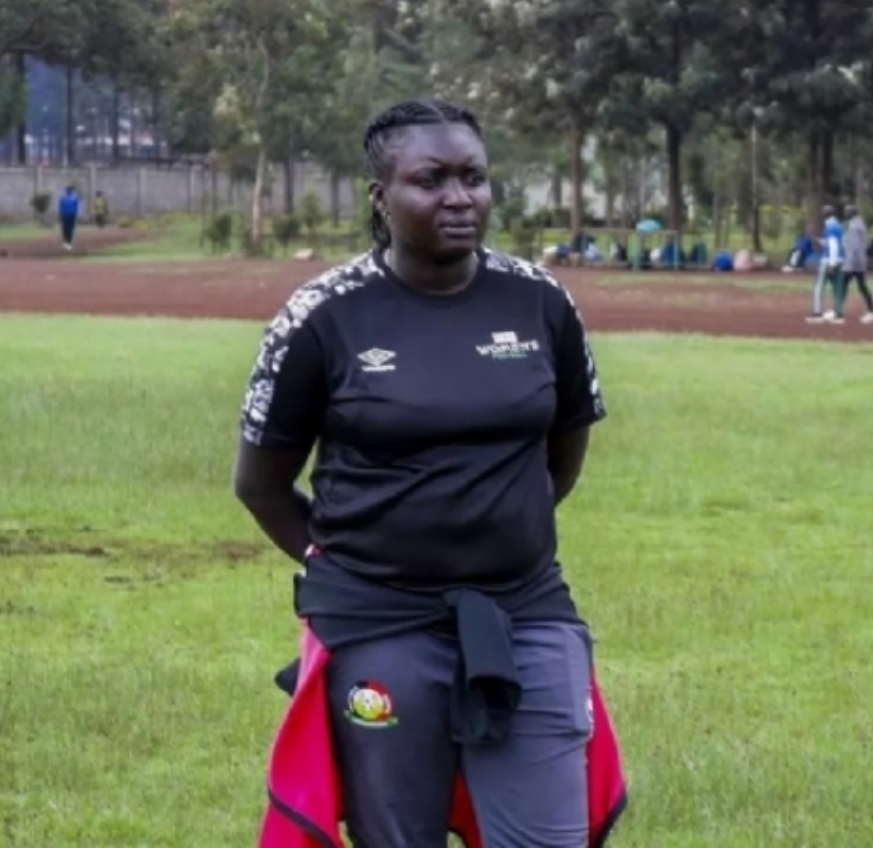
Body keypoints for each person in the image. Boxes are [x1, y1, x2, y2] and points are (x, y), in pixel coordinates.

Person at [235, 98, 627, 848]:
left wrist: (501, 531)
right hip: (380, 623)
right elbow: (260, 484)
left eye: (473, 177)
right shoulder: (320, 317)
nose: (459, 197)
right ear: (381, 198)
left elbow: (562, 453)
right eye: (431, 179)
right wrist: (356, 566)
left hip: (528, 612)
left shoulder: (541, 302)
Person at [806, 205, 844, 324]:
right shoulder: (839, 226)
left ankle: (817, 313)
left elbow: (833, 246)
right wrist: (816, 239)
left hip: (828, 260)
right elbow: (833, 243)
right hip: (840, 260)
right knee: (837, 288)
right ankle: (838, 313)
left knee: (819, 286)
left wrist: (831, 263)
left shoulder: (830, 227)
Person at [841, 205, 873, 324]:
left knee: (844, 285)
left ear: (851, 213)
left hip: (854, 263)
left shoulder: (854, 226)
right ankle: (872, 311)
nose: (845, 214)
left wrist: (851, 262)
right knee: (861, 286)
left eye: (847, 212)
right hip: (859, 261)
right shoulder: (859, 224)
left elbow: (855, 246)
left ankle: (838, 310)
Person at [58, 185, 80, 251]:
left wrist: (77, 213)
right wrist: (60, 213)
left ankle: (69, 242)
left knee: (71, 228)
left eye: (70, 190)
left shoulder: (74, 197)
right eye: (68, 190)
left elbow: (77, 205)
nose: (69, 191)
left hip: (72, 214)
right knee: (65, 228)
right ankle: (65, 241)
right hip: (64, 214)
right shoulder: (63, 197)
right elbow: (60, 205)